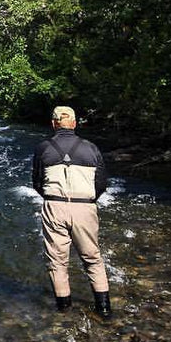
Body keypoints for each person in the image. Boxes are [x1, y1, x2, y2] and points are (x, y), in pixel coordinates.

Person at [32, 105, 112, 318]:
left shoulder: (43, 148)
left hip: (54, 206)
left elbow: (37, 183)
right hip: (85, 207)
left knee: (57, 261)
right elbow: (102, 183)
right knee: (93, 258)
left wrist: (55, 199)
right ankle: (104, 309)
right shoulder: (92, 148)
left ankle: (64, 311)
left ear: (53, 124)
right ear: (75, 123)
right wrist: (86, 201)